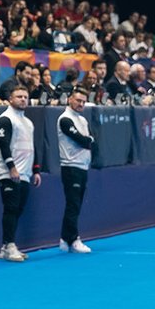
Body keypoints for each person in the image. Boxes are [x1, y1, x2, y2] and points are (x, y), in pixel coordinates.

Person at [0, 86, 42, 262]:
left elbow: (32, 147)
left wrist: (35, 170)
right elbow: (3, 144)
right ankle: (9, 244)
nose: (23, 99)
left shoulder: (28, 123)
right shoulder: (5, 119)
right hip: (8, 173)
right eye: (19, 96)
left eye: (25, 97)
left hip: (25, 173)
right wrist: (11, 167)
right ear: (10, 99)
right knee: (11, 208)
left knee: (19, 209)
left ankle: (7, 246)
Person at [56, 86, 96, 253]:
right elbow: (83, 140)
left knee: (76, 204)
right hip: (70, 167)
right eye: (78, 100)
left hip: (82, 166)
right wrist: (87, 140)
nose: (80, 104)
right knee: (73, 205)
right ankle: (74, 239)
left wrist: (88, 139)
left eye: (83, 101)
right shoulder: (65, 119)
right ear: (69, 100)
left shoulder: (83, 120)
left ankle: (65, 238)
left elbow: (91, 139)